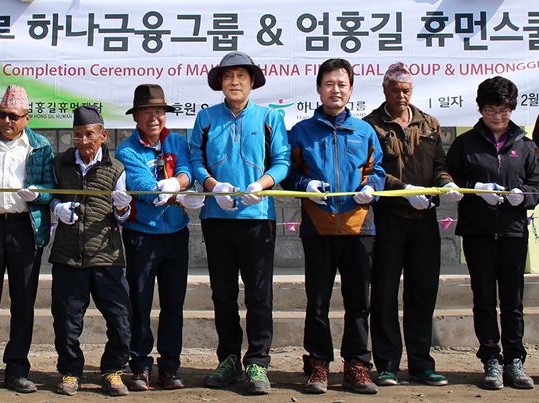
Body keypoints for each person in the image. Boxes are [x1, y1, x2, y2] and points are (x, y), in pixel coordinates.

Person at [189, 51, 290, 395]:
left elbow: (282, 161)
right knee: (223, 294)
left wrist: (261, 185)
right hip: (216, 217)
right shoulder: (205, 119)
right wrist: (213, 186)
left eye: (241, 76)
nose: (234, 82)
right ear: (219, 82)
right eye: (228, 76)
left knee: (259, 293)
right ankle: (229, 359)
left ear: (251, 82)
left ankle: (258, 362)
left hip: (257, 218)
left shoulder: (269, 118)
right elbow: (195, 159)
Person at [281, 58, 385, 395]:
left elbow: (378, 171)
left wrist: (373, 189)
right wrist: (305, 184)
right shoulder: (301, 132)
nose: (335, 90)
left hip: (359, 227)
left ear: (351, 89)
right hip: (319, 226)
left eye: (341, 84)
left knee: (359, 301)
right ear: (318, 88)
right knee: (318, 300)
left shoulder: (365, 131)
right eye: (329, 83)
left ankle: (357, 365)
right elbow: (289, 174)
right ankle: (318, 364)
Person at [363, 62, 462, 387]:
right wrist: (402, 191)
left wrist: (445, 184)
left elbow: (439, 165)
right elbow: (371, 171)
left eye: (406, 90)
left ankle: (421, 363)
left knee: (423, 293)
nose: (401, 96)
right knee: (385, 294)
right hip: (389, 219)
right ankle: (387, 364)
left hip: (425, 221)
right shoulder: (372, 126)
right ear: (385, 91)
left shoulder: (429, 124)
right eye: (395, 90)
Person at [446, 76, 539, 390]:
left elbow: (536, 187)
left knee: (512, 302)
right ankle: (491, 359)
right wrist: (474, 189)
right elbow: (450, 180)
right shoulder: (466, 143)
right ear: (480, 109)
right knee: (484, 298)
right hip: (478, 232)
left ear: (512, 108)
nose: (497, 116)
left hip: (513, 232)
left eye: (503, 110)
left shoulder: (525, 145)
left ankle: (515, 360)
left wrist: (523, 195)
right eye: (490, 110)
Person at [0, 85, 55, 393]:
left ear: (26, 118)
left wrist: (39, 195)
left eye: (13, 116)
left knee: (23, 300)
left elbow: (51, 188)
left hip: (24, 228)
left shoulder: (40, 147)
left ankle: (17, 368)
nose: (6, 121)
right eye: (2, 115)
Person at [116, 84, 204, 391]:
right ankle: (139, 365)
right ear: (137, 116)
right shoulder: (127, 150)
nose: (154, 117)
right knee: (139, 302)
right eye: (147, 112)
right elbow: (143, 186)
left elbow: (187, 171)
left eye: (159, 111)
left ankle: (170, 365)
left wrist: (178, 183)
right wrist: (174, 193)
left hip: (176, 236)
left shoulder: (176, 141)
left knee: (173, 304)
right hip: (142, 237)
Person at [49, 105, 133, 397]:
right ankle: (71, 372)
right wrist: (57, 208)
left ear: (103, 135)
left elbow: (122, 216)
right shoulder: (60, 164)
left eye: (89, 135)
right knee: (67, 321)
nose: (83, 142)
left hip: (106, 255)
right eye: (77, 136)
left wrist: (122, 207)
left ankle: (112, 370)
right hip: (67, 255)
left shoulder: (117, 168)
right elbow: (49, 196)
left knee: (121, 320)